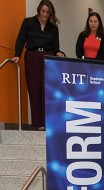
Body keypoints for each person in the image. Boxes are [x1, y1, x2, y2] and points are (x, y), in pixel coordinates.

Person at [13, 0, 65, 130]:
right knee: (34, 89)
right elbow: (20, 40)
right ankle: (38, 123)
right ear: (38, 10)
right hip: (32, 56)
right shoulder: (28, 23)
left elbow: (56, 47)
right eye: (43, 11)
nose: (45, 14)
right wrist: (17, 55)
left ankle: (48, 122)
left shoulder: (53, 28)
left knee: (47, 89)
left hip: (48, 57)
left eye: (48, 12)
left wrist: (58, 53)